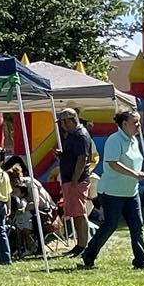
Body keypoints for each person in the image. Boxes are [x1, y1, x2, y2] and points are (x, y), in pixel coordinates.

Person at [81, 107, 144, 271]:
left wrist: (135, 176)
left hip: (131, 192)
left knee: (137, 225)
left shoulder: (134, 140)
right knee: (110, 225)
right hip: (112, 192)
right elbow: (112, 163)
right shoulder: (114, 139)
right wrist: (134, 173)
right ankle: (89, 255)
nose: (138, 125)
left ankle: (140, 261)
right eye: (135, 122)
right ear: (124, 123)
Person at [54, 108, 96, 257]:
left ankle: (83, 245)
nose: (62, 126)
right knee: (76, 213)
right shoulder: (72, 135)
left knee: (80, 213)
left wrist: (74, 179)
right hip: (70, 180)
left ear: (71, 120)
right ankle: (79, 244)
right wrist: (63, 156)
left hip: (76, 181)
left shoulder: (81, 135)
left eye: (64, 122)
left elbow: (82, 158)